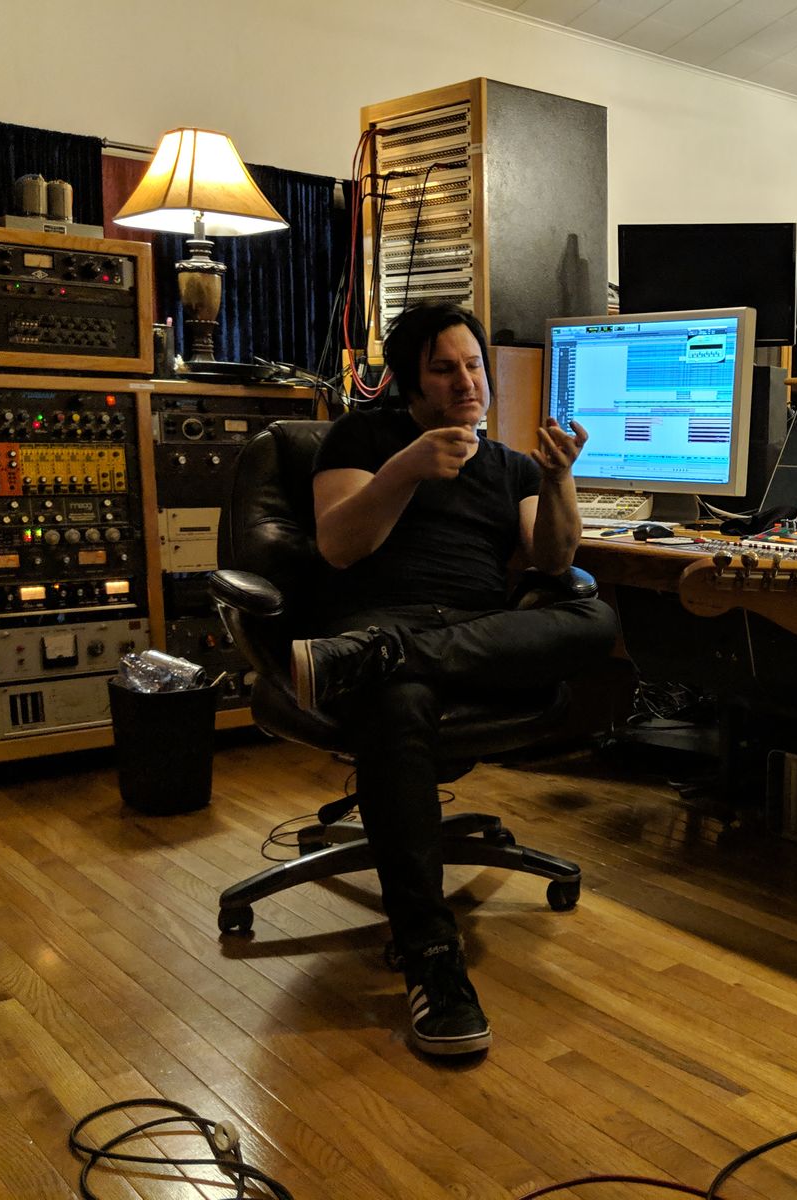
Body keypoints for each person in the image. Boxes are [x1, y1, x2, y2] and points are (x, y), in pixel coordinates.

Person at [290, 301, 618, 1057]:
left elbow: (552, 560)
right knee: (397, 703)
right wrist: (406, 469)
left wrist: (559, 478)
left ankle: (385, 656)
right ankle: (431, 955)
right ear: (411, 382)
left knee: (594, 617)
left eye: (474, 366)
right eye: (444, 369)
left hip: (473, 639)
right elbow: (339, 546)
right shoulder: (359, 438)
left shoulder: (509, 466)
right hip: (380, 617)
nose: (466, 382)